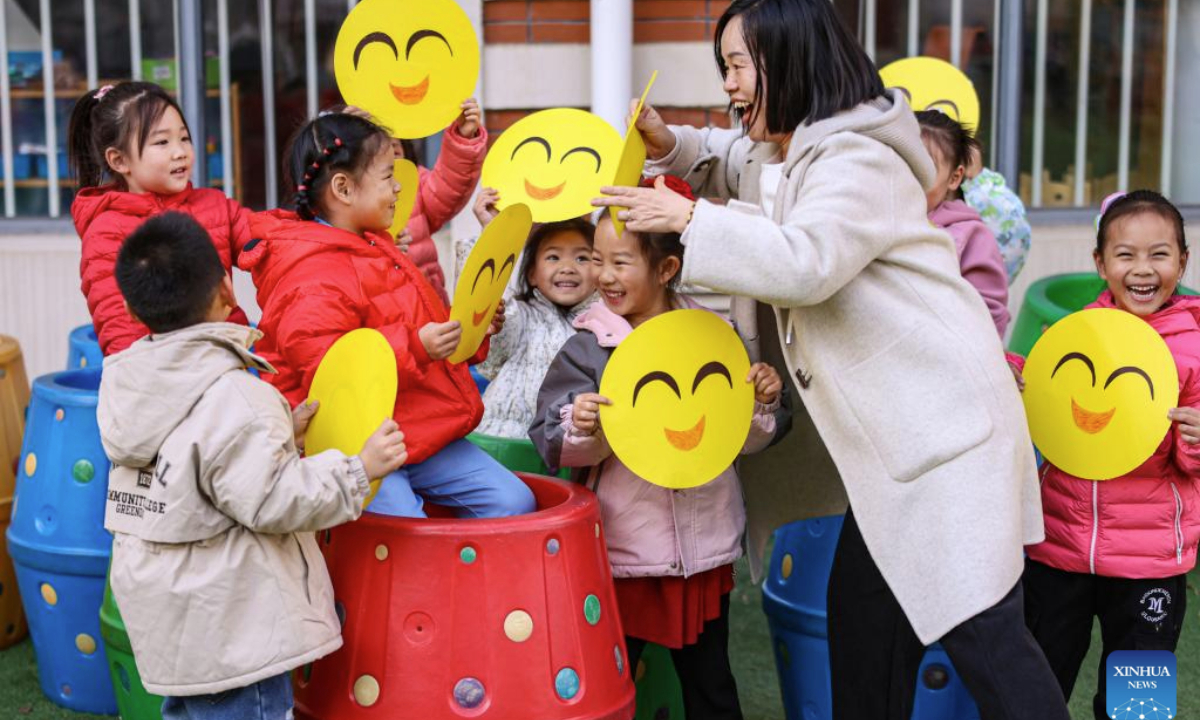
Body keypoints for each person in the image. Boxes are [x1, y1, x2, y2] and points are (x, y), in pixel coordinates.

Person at [592, 1, 1068, 717]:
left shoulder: (859, 156)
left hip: (943, 436)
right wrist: (673, 145)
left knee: (982, 634)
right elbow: (736, 160)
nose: (728, 84)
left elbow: (806, 260)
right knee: (866, 630)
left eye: (736, 65)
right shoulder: (794, 147)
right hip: (894, 454)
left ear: (788, 61)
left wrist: (689, 220)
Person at [98, 211, 408, 720]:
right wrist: (359, 468)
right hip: (234, 628)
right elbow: (276, 500)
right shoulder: (239, 397)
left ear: (133, 310)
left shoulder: (129, 389)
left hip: (171, 621)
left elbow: (195, 464)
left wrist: (280, 431)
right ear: (227, 288)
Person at [532, 176, 786, 720]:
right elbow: (555, 444)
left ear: (666, 269)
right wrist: (580, 425)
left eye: (619, 263)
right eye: (597, 260)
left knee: (711, 684)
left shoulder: (710, 336)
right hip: (628, 552)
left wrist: (760, 402)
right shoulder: (589, 345)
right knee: (611, 681)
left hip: (704, 547)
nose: (602, 276)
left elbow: (739, 441)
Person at [239, 112, 534, 519]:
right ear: (343, 188)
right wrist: (417, 345)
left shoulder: (375, 245)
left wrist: (469, 327)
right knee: (405, 531)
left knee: (514, 502)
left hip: (413, 426)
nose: (399, 187)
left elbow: (416, 316)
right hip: (354, 445)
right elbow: (333, 374)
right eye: (387, 176)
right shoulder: (310, 275)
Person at [1021, 190, 1200, 720]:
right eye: (1125, 254)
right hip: (1058, 551)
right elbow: (1041, 399)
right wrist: (1008, 375)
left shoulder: (1193, 347)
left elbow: (1192, 464)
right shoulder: (1074, 334)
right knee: (1037, 686)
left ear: (1183, 261)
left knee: (1136, 707)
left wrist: (1195, 442)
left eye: (1159, 254)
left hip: (1150, 565)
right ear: (1100, 263)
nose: (1142, 269)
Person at [68, 81, 252, 355]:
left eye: (184, 138)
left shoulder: (214, 205)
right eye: (162, 142)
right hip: (159, 377)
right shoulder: (106, 232)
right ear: (119, 161)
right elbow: (121, 331)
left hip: (227, 360)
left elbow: (271, 239)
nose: (179, 152)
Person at [467, 187, 597, 438]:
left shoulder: (604, 325)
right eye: (553, 257)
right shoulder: (522, 317)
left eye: (582, 258)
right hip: (504, 441)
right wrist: (492, 236)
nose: (567, 267)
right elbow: (491, 306)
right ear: (532, 274)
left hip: (568, 449)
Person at [916, 109, 1010, 337]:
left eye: (925, 171)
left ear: (955, 177)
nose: (912, 180)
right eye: (904, 165)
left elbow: (991, 311)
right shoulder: (876, 218)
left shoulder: (970, 235)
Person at [392, 99, 488, 304]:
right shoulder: (344, 200)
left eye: (394, 137)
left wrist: (463, 137)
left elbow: (447, 189)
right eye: (376, 137)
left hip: (428, 303)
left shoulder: (415, 183)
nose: (390, 143)